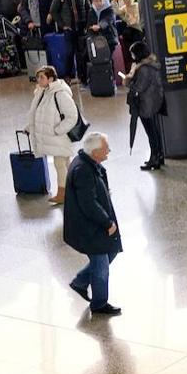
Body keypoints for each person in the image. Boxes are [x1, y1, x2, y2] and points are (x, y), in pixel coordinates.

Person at [62, 132, 121, 316]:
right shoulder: (83, 171)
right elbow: (88, 204)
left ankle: (80, 282)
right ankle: (99, 304)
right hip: (89, 228)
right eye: (105, 149)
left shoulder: (90, 164)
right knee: (101, 264)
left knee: (110, 253)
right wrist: (106, 222)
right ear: (94, 152)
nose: (109, 151)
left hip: (91, 225)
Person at [26, 66, 79, 205]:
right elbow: (37, 113)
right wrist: (30, 127)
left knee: (59, 164)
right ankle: (76, 189)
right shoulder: (41, 92)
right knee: (66, 165)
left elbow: (72, 116)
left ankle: (62, 194)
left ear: (50, 78)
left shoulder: (60, 94)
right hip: (54, 137)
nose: (38, 80)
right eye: (38, 77)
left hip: (59, 137)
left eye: (42, 77)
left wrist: (58, 130)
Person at [123, 42, 166, 172]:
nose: (131, 56)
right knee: (154, 132)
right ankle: (158, 156)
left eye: (133, 53)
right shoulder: (151, 65)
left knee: (151, 133)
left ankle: (154, 158)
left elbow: (139, 87)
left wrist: (127, 81)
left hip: (146, 105)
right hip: (153, 102)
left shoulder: (143, 69)